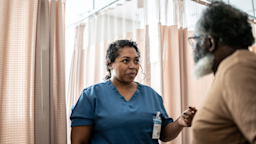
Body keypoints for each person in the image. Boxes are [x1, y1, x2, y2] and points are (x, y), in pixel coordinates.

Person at [70, 40, 197, 144]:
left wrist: (179, 123)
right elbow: (79, 141)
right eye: (126, 60)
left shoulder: (152, 95)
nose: (133, 66)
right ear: (110, 64)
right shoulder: (91, 95)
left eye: (136, 61)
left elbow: (162, 134)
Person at [188, 1, 256, 144]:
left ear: (211, 43)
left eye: (195, 40)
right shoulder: (232, 68)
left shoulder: (236, 67)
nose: (193, 49)